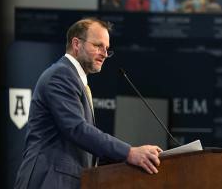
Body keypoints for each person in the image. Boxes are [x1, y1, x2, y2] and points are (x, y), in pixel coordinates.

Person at [13, 18, 163, 189]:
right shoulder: (61, 75)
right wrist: (129, 152)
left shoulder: (75, 80)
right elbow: (76, 129)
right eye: (98, 46)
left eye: (107, 49)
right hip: (49, 180)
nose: (105, 54)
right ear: (76, 44)